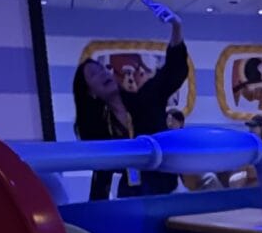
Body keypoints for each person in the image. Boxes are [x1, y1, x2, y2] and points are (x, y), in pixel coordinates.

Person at [73, 23, 185, 200]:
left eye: (103, 69)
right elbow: (102, 173)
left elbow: (173, 72)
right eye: (94, 74)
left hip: (168, 191)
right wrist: (95, 210)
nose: (103, 74)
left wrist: (176, 27)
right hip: (131, 197)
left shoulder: (145, 98)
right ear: (91, 92)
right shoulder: (101, 126)